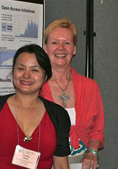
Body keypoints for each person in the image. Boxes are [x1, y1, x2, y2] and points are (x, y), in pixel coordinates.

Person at [0, 44, 71, 169]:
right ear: (13, 72)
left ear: (45, 77)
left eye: (34, 70)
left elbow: (61, 165)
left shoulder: (58, 115)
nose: (26, 76)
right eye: (21, 68)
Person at [40, 18, 104, 169]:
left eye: (67, 43)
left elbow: (97, 130)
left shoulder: (90, 87)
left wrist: (92, 152)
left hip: (82, 164)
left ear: (74, 49)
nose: (60, 48)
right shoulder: (36, 88)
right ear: (45, 48)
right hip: (46, 163)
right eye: (55, 42)